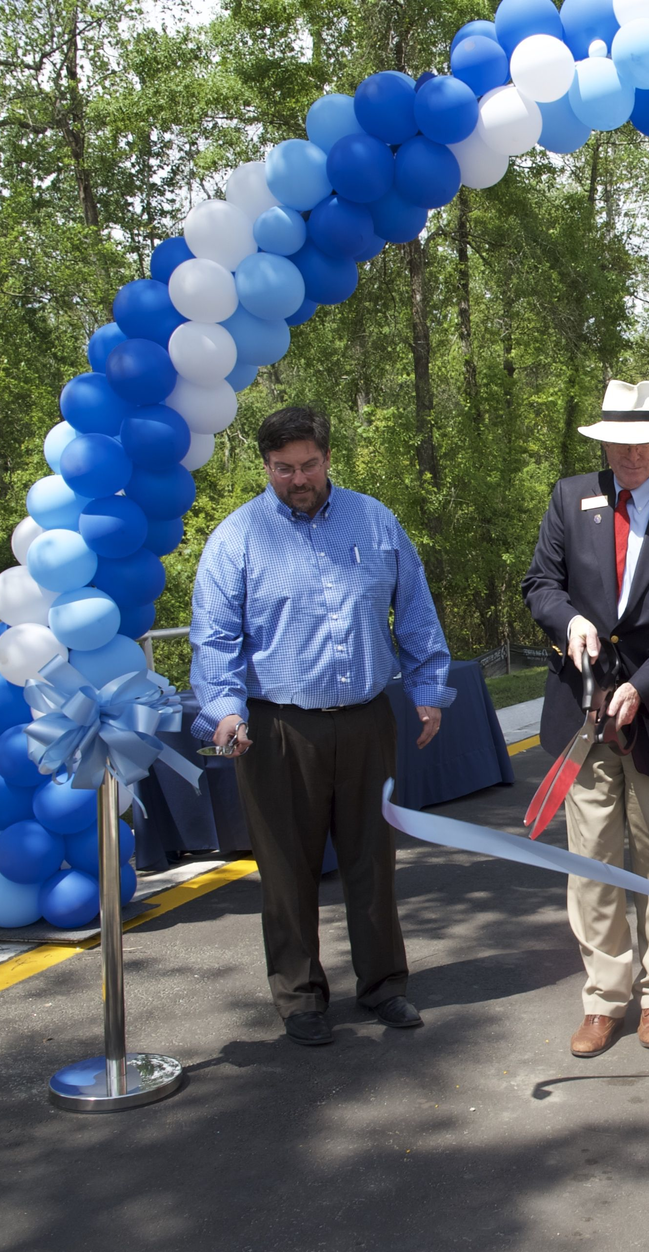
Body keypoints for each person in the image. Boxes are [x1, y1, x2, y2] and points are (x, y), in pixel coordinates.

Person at [189, 405, 453, 1047]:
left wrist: (428, 689)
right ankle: (301, 998)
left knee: (373, 861)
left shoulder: (375, 520)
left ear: (328, 458)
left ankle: (384, 986)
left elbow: (415, 608)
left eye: (308, 465)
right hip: (277, 730)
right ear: (265, 466)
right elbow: (214, 638)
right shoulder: (236, 538)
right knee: (287, 871)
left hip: (366, 721)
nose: (298, 479)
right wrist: (224, 710)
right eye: (283, 469)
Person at [523, 378, 649, 1058]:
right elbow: (540, 584)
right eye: (620, 442)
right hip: (580, 712)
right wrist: (570, 620)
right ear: (604, 442)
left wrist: (642, 685)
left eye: (643, 442)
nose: (631, 454)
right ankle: (604, 998)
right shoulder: (569, 498)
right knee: (592, 864)